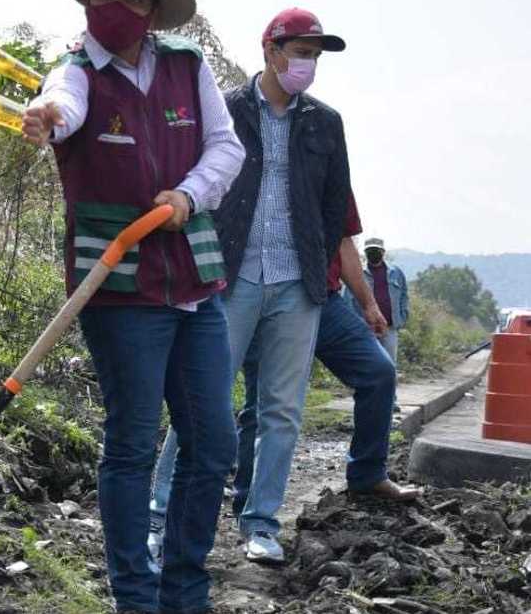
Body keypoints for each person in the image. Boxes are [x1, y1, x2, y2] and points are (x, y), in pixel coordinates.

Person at [20, 0, 244, 614]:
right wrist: (48, 118)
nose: (119, 6)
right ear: (89, 0)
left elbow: (225, 147)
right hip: (117, 287)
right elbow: (65, 106)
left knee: (213, 445)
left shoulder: (186, 65)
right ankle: (135, 597)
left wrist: (187, 195)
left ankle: (184, 591)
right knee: (131, 442)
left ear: (153, 10)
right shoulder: (73, 72)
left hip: (193, 283)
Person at [148, 198, 423, 568]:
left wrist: (369, 304)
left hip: (316, 296)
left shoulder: (324, 160)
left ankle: (365, 473)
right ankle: (192, 516)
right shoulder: (246, 151)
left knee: (377, 371)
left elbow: (344, 241)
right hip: (248, 287)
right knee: (244, 401)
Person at [212, 7, 352, 563]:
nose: (307, 64)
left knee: (282, 411)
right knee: (203, 401)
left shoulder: (326, 123)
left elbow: (333, 204)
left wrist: (322, 272)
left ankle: (261, 523)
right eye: (300, 52)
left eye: (315, 55)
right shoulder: (224, 110)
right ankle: (164, 513)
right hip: (231, 277)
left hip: (297, 285)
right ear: (270, 49)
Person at [352, 237, 410, 365]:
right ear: (365, 253)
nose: (373, 253)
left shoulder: (396, 273)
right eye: (370, 251)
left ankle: (388, 386)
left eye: (376, 250)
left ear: (383, 252)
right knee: (368, 364)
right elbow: (348, 300)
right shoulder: (358, 274)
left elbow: (404, 296)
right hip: (367, 328)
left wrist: (403, 316)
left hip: (390, 328)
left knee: (389, 364)